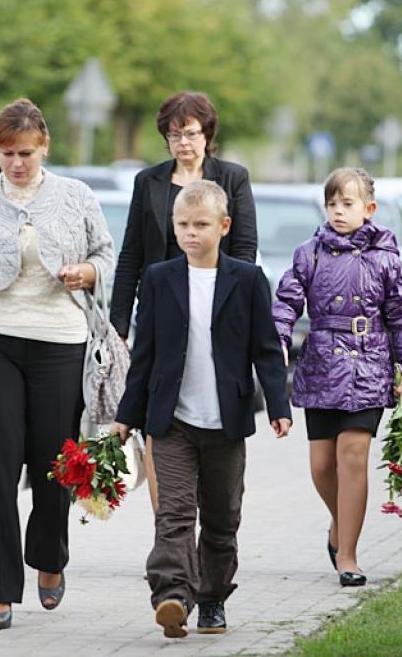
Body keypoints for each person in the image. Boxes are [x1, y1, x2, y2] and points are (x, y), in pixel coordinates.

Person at [0, 98, 114, 631]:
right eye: (8, 153)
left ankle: (50, 557)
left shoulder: (75, 197)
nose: (17, 163)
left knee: (55, 465)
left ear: (45, 146)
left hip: (61, 342)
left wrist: (87, 272)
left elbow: (106, 255)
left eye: (27, 153)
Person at [111, 180, 292, 639]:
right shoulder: (160, 278)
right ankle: (172, 595)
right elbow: (145, 354)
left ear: (224, 226)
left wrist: (278, 405)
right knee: (173, 512)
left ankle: (211, 599)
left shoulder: (248, 280)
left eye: (201, 225)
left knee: (221, 518)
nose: (191, 233)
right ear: (173, 227)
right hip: (171, 420)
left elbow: (266, 350)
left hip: (226, 421)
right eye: (183, 225)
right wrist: (126, 415)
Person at [110, 91, 258, 514]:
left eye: (191, 133)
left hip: (216, 313)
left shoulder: (232, 179)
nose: (183, 143)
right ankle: (168, 535)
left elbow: (245, 248)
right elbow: (131, 255)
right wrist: (118, 322)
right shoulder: (149, 182)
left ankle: (208, 520)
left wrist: (234, 305)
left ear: (207, 135)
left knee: (211, 416)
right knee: (159, 421)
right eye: (174, 135)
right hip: (161, 316)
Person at [273, 167, 402, 588]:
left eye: (348, 203)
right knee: (322, 465)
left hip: (370, 363)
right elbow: (286, 301)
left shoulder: (386, 257)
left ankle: (349, 555)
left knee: (353, 454)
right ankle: (341, 522)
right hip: (321, 363)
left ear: (369, 209)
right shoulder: (310, 253)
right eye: (332, 203)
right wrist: (278, 339)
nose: (338, 211)